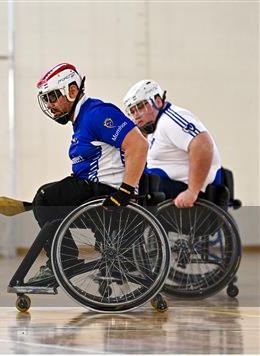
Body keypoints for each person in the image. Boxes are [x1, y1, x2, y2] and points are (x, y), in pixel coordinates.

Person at [26, 63, 148, 283]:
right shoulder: (82, 120)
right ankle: (67, 258)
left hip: (105, 190)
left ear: (72, 91)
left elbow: (138, 144)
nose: (50, 105)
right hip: (94, 186)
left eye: (53, 97)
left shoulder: (97, 114)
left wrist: (125, 191)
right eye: (46, 100)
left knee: (45, 198)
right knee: (49, 203)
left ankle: (64, 261)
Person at [123, 80, 223, 208]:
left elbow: (203, 145)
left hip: (185, 187)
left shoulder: (170, 120)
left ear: (158, 101)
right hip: (170, 184)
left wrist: (192, 191)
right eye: (132, 111)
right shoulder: (156, 125)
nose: (136, 115)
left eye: (140, 107)